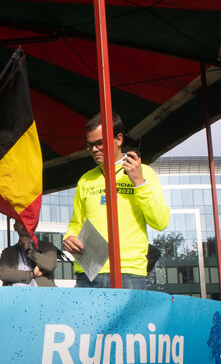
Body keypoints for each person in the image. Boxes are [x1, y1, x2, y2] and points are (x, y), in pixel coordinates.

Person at [62, 112, 169, 289]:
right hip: (88, 272)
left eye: (99, 143)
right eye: (89, 145)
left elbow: (161, 222)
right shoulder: (85, 180)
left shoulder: (144, 173)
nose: (94, 150)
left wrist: (139, 183)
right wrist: (70, 237)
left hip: (128, 271)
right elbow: (76, 222)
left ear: (119, 139)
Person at [0, 221, 57, 287]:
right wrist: (31, 274)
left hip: (43, 294)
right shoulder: (8, 252)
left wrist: (30, 251)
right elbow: (3, 273)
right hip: (14, 295)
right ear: (14, 227)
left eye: (27, 221)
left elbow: (51, 265)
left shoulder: (47, 246)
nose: (24, 224)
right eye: (20, 221)